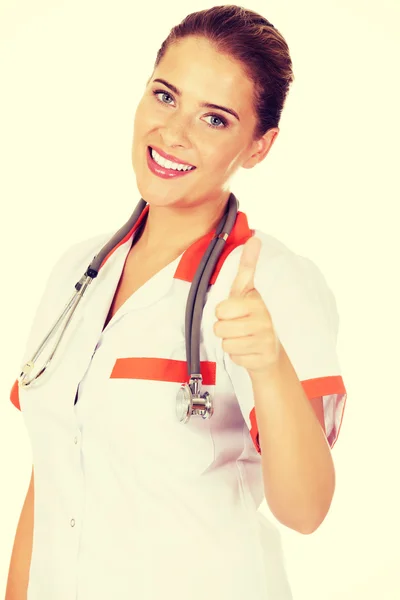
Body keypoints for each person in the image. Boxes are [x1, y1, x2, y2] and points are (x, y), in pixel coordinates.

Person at [5, 5, 347, 600]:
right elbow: (54, 473)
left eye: (215, 119)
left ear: (259, 146)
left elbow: (306, 510)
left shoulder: (271, 281)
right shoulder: (78, 272)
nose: (174, 133)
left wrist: (268, 363)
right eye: (166, 97)